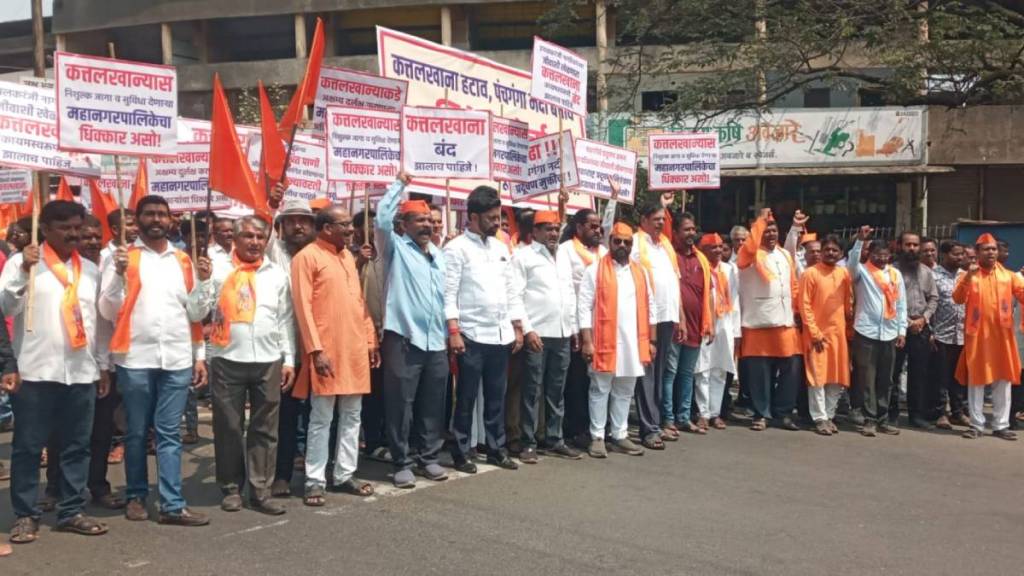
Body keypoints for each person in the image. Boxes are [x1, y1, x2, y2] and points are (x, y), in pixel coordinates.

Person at [99, 195, 213, 526]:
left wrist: (205, 283)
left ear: (170, 220)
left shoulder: (183, 260)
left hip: (177, 357)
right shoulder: (123, 258)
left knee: (169, 432)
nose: (156, 219)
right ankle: (136, 496)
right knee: (135, 431)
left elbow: (196, 313)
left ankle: (172, 504)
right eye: (149, 213)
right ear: (137, 219)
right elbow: (108, 311)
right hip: (134, 357)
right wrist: (119, 276)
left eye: (162, 214)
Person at [3, 201, 104, 544]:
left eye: (78, 226)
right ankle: (25, 515)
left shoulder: (89, 270)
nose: (74, 233)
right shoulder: (23, 263)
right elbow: (5, 306)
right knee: (29, 447)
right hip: (35, 371)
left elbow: (97, 323)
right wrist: (22, 272)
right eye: (65, 228)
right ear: (44, 229)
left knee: (77, 446)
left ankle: (71, 510)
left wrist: (102, 365)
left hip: (80, 372)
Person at [291, 204, 378, 504]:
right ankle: (315, 479)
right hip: (326, 350)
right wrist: (315, 350)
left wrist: (370, 340)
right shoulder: (307, 257)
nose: (351, 229)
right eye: (344, 225)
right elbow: (302, 307)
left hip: (354, 348)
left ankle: (344, 474)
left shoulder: (347, 258)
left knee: (353, 414)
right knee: (322, 416)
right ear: (327, 228)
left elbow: (358, 302)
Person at [208, 216, 294, 515]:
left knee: (265, 428)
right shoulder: (218, 271)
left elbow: (284, 319)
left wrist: (289, 359)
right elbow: (197, 311)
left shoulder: (276, 274)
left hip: (268, 360)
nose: (255, 242)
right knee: (229, 427)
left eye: (261, 237)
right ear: (234, 237)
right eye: (248, 236)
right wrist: (203, 281)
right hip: (226, 357)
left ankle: (261, 489)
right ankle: (231, 487)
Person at [41, 216, 124, 512]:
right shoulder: (51, 268)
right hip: (61, 365)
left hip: (100, 364)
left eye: (94, 236)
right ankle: (55, 488)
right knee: (61, 433)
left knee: (101, 432)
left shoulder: (108, 268)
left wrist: (103, 365)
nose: (89, 241)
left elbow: (104, 323)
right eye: (83, 235)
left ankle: (97, 486)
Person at [375, 175, 451, 488]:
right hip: (404, 340)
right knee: (400, 404)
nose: (426, 226)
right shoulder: (395, 248)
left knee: (433, 402)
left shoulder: (438, 255)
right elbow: (380, 218)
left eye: (429, 221)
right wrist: (398, 185)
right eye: (418, 220)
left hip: (436, 341)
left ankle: (428, 458)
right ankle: (402, 461)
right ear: (403, 224)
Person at [444, 186, 524, 473]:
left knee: (495, 396)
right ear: (473, 217)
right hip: (470, 334)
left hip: (500, 334)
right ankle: (461, 450)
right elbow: (449, 292)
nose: (497, 222)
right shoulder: (455, 249)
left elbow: (511, 290)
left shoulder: (502, 248)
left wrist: (517, 326)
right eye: (491, 218)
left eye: (499, 216)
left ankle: (495, 448)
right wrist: (453, 330)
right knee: (465, 397)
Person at [578, 222, 655, 458]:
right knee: (600, 388)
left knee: (625, 390)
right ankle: (598, 436)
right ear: (609, 242)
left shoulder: (639, 272)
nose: (622, 246)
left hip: (633, 342)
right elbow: (583, 307)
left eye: (627, 242)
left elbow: (651, 306)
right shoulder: (594, 270)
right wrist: (587, 341)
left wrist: (652, 341)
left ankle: (620, 435)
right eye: (618, 241)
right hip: (604, 341)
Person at [511, 210, 580, 463]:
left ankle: (554, 439)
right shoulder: (523, 256)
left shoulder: (563, 256)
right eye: (547, 228)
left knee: (556, 390)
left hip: (561, 333)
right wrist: (527, 330)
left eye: (555, 228)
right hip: (537, 335)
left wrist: (572, 328)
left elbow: (569, 294)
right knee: (532, 391)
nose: (553, 233)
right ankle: (528, 442)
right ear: (535, 231)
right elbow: (515, 296)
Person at [555, 197, 616, 449]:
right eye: (592, 226)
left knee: (601, 380)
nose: (598, 230)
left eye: (599, 226)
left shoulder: (603, 253)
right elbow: (566, 290)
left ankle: (600, 428)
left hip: (603, 324)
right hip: (579, 326)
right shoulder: (567, 250)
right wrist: (574, 328)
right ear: (578, 227)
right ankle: (576, 429)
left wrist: (611, 201)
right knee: (577, 381)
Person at [736, 209, 803, 431]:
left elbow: (793, 284)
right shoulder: (749, 254)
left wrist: (796, 311)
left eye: (774, 230)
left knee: (791, 368)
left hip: (785, 322)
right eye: (766, 230)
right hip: (758, 322)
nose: (771, 234)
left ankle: (783, 413)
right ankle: (760, 413)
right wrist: (760, 222)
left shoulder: (784, 255)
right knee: (759, 373)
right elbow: (751, 245)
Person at [267, 199, 316, 498]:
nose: (298, 226)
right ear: (281, 227)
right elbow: (267, 230)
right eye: (291, 220)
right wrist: (272, 204)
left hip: (317, 349)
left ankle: (316, 471)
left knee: (319, 416)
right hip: (286, 352)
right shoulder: (275, 254)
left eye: (304, 221)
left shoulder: (319, 254)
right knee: (285, 417)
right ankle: (281, 474)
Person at [953, 234, 1024, 440]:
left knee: (1003, 381)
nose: (991, 252)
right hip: (978, 337)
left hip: (1003, 337)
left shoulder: (1009, 276)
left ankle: (1001, 425)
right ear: (977, 252)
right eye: (986, 249)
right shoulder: (969, 275)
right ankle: (976, 424)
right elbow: (957, 299)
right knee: (977, 380)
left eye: (993, 249)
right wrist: (967, 277)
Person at [630, 201, 680, 449]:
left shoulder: (666, 245)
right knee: (647, 374)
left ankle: (657, 423)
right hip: (646, 318)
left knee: (660, 374)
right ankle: (648, 429)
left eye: (663, 219)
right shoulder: (636, 243)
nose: (661, 222)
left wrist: (678, 317)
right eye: (657, 218)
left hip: (668, 317)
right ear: (644, 220)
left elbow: (674, 282)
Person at [849, 226, 907, 437]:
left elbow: (901, 304)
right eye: (877, 256)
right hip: (866, 331)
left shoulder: (895, 274)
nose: (882, 259)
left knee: (886, 378)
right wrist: (859, 242)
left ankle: (883, 418)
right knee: (867, 377)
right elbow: (851, 264)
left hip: (890, 332)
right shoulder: (862, 271)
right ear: (870, 254)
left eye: (885, 256)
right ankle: (869, 419)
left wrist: (902, 331)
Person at [662, 212, 712, 436]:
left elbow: (707, 293)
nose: (691, 233)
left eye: (693, 229)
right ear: (675, 233)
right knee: (670, 373)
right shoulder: (669, 255)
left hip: (696, 325)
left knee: (687, 373)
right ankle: (668, 418)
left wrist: (708, 323)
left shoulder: (701, 258)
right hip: (674, 325)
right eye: (686, 229)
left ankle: (683, 417)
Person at [798, 235, 852, 436]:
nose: (830, 253)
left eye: (834, 250)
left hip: (838, 334)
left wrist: (849, 332)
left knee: (836, 378)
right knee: (817, 377)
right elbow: (804, 306)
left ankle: (829, 415)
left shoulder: (843, 274)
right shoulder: (810, 274)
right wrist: (814, 333)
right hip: (816, 334)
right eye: (827, 249)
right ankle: (819, 418)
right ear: (820, 252)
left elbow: (848, 305)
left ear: (840, 254)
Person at [890, 232, 938, 429]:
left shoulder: (926, 271)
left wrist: (924, 319)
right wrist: (907, 321)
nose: (912, 249)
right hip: (897, 328)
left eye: (915, 245)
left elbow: (934, 298)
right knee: (893, 372)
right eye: (908, 245)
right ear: (899, 246)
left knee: (919, 373)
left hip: (921, 328)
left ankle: (916, 415)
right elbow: (889, 299)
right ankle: (890, 413)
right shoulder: (891, 271)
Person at [692, 233, 740, 430]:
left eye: (721, 247)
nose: (719, 251)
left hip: (725, 322)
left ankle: (715, 413)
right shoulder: (699, 267)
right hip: (704, 323)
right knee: (702, 369)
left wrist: (736, 332)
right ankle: (702, 413)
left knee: (719, 369)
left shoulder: (730, 269)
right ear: (703, 250)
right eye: (714, 247)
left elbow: (736, 300)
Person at [352, 209, 388, 463]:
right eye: (369, 226)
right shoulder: (348, 256)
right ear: (356, 231)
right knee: (370, 392)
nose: (374, 229)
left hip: (388, 333)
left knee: (387, 391)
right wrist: (359, 263)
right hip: (362, 334)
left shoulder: (387, 254)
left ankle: (384, 437)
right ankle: (371, 440)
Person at [930, 240, 969, 429]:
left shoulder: (966, 276)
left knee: (959, 377)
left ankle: (957, 412)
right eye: (955, 254)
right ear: (944, 255)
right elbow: (928, 303)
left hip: (962, 334)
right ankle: (941, 413)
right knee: (941, 376)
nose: (960, 257)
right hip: (941, 334)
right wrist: (930, 332)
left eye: (962, 254)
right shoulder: (933, 276)